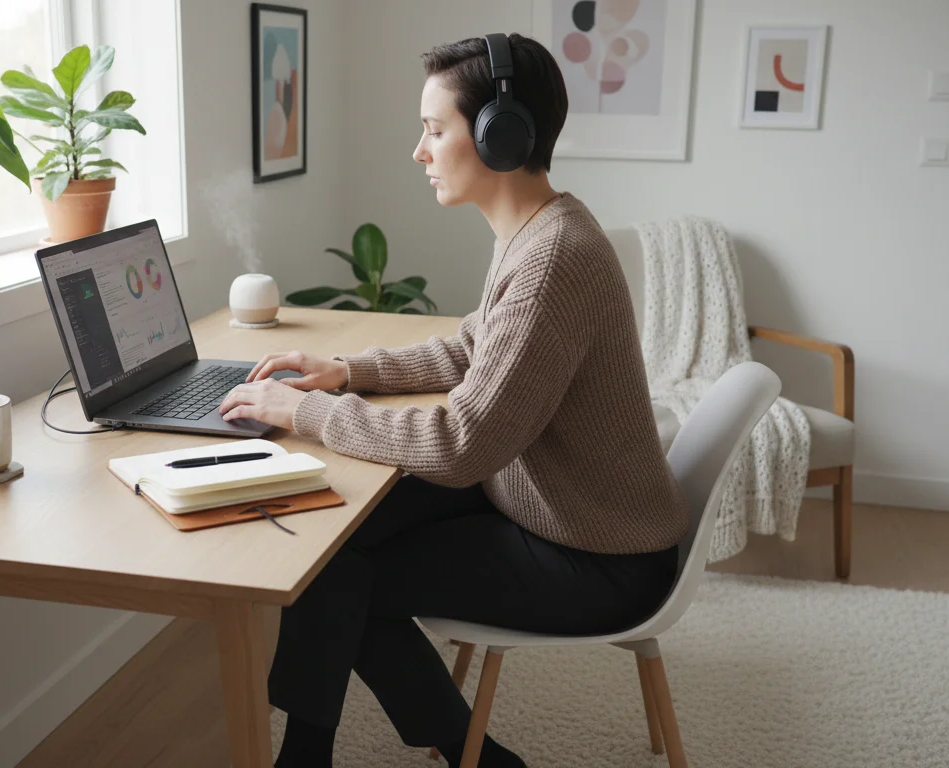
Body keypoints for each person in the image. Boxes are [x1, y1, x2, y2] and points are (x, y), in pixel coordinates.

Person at [218, 33, 689, 768]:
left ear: (503, 137)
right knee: (340, 540)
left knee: (341, 570)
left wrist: (300, 412)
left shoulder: (552, 260)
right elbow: (473, 347)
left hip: (598, 557)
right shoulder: (540, 228)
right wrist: (346, 372)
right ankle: (401, 752)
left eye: (435, 130)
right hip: (549, 503)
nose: (420, 150)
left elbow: (462, 445)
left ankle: (407, 755)